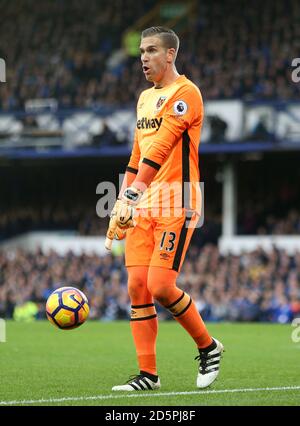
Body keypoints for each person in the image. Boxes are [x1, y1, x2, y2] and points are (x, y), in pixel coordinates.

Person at [105, 26, 224, 391]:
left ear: (170, 54)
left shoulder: (186, 93)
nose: (143, 57)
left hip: (177, 201)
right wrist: (121, 203)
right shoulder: (143, 99)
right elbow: (137, 154)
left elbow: (162, 147)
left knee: (160, 285)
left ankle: (209, 347)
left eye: (152, 50)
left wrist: (132, 194)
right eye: (141, 51)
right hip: (144, 205)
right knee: (137, 287)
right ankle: (148, 375)